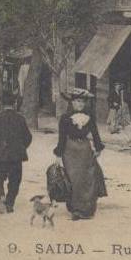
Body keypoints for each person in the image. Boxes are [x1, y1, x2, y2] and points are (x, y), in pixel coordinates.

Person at [55, 89, 107, 220]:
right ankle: (75, 208)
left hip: (85, 149)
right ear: (72, 102)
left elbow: (95, 134)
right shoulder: (65, 118)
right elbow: (61, 138)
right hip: (70, 151)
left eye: (82, 102)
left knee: (87, 179)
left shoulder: (89, 118)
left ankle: (86, 209)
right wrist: (58, 155)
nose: (80, 104)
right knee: (73, 180)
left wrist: (98, 148)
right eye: (77, 101)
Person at [0, 90, 32, 214]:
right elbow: (28, 137)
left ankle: (1, 197)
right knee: (15, 180)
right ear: (14, 104)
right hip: (16, 156)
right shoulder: (20, 119)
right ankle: (10, 203)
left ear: (1, 104)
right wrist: (21, 147)